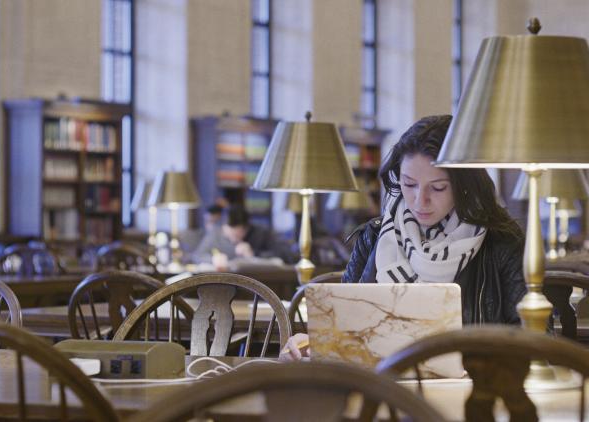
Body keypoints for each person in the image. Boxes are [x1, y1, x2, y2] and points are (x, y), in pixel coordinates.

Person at [281, 114, 526, 360]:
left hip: (473, 388)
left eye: (438, 187)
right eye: (409, 184)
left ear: (464, 185)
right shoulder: (374, 236)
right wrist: (313, 342)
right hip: (383, 385)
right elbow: (344, 326)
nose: (420, 201)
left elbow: (530, 338)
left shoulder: (501, 242)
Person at [194, 205, 297, 269]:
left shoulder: (260, 233)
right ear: (223, 227)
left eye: (239, 233)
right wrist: (212, 259)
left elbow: (286, 255)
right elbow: (197, 255)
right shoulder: (215, 233)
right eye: (231, 234)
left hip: (258, 283)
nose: (235, 238)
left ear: (247, 227)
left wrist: (254, 253)